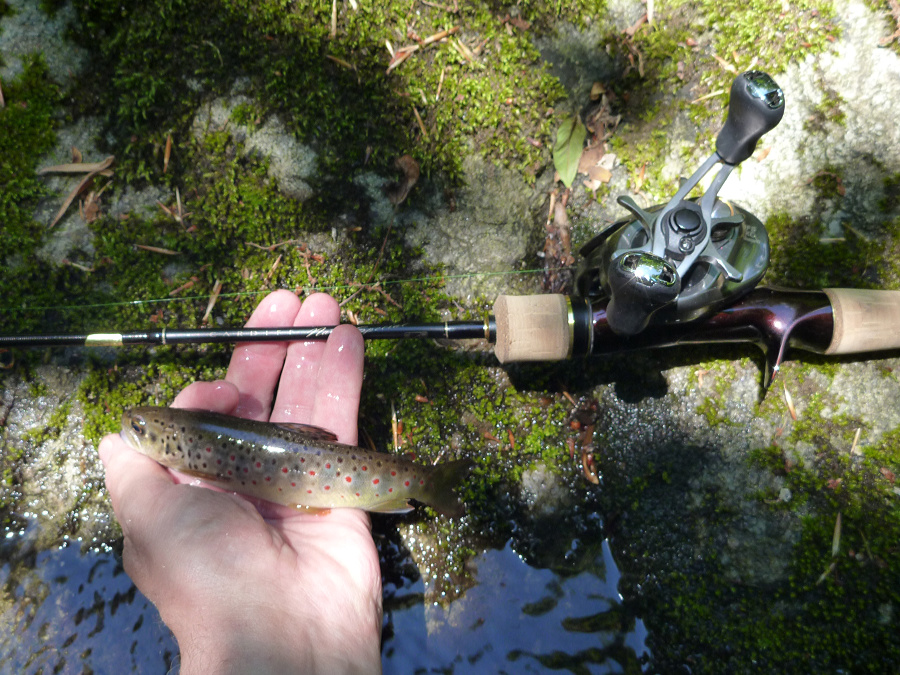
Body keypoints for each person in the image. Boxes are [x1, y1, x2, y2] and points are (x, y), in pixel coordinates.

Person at [98, 291, 383, 674]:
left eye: (140, 428)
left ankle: (425, 484)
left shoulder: (186, 453)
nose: (130, 428)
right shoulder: (189, 454)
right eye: (139, 427)